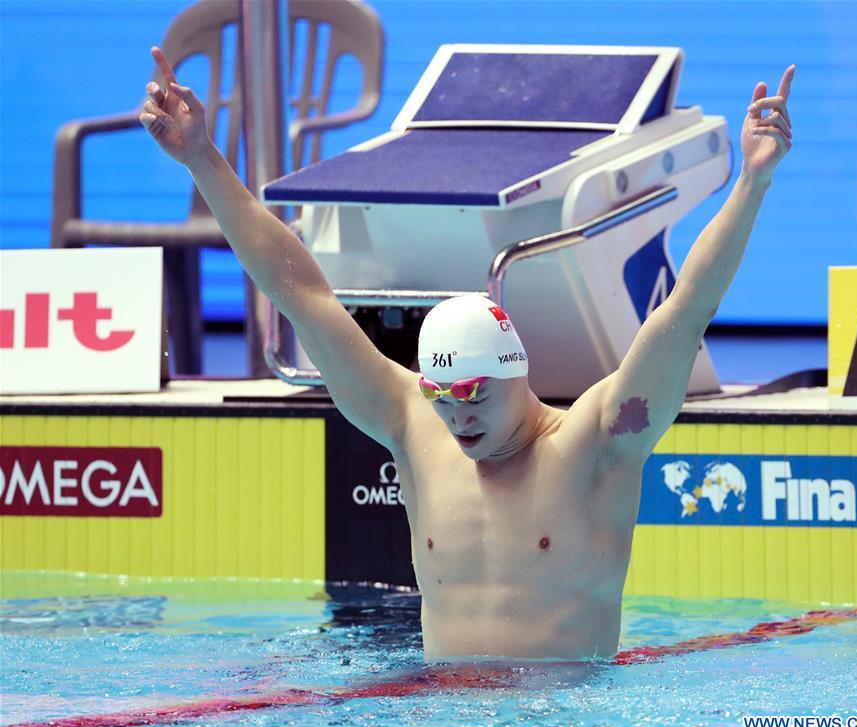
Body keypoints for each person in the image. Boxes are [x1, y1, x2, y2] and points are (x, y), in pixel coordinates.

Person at [141, 46, 794, 662]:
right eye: (442, 398)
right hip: (440, 715)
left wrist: (753, 182)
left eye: (474, 394)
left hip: (564, 718)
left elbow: (685, 312)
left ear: (517, 372)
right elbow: (301, 293)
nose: (458, 417)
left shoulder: (596, 444)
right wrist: (202, 160)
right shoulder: (412, 426)